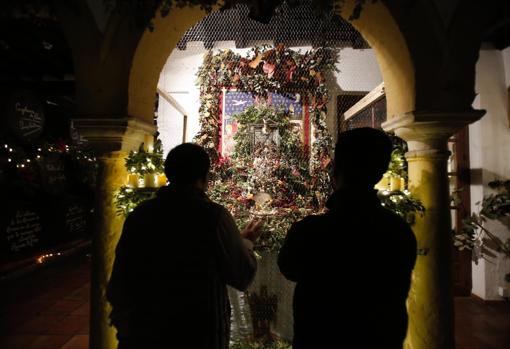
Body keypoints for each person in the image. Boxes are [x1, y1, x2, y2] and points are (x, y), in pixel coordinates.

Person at [107, 143, 263, 349]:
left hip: (148, 330)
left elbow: (121, 277)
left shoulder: (141, 214)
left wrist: (125, 326)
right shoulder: (213, 216)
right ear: (205, 177)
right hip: (198, 331)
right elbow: (241, 274)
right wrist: (247, 241)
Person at [278, 127, 417, 349]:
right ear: (380, 173)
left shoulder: (310, 231)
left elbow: (288, 268)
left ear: (335, 171)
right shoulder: (398, 230)